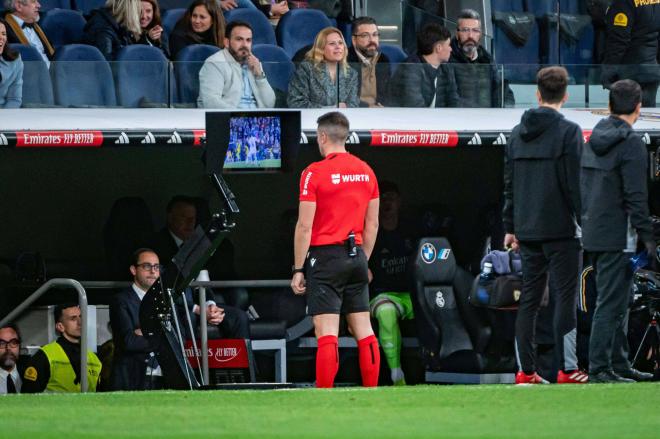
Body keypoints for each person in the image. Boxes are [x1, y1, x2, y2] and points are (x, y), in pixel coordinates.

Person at [503, 66, 587, 385]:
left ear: (537, 94)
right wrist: (585, 223)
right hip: (563, 231)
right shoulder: (569, 132)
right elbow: (575, 186)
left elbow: (508, 184)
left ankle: (525, 371)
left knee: (529, 300)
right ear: (565, 96)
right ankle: (567, 369)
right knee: (565, 299)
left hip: (526, 230)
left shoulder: (515, 133)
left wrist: (510, 225)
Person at [291, 111, 380, 388]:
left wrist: (298, 269)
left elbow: (304, 226)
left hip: (325, 257)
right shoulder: (367, 170)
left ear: (322, 136)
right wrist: (364, 258)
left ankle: (325, 394)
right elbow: (373, 224)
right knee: (364, 329)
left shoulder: (313, 173)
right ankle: (372, 392)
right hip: (356, 255)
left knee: (326, 331)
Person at [581, 79, 655, 383]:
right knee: (611, 303)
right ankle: (600, 368)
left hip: (594, 230)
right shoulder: (631, 144)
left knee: (618, 301)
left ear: (610, 105)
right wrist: (647, 235)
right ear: (639, 107)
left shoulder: (593, 139)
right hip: (617, 235)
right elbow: (635, 195)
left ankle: (619, 363)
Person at [148, 195, 250, 338]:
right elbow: (163, 288)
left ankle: (241, 360)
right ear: (170, 218)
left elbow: (203, 277)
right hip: (178, 305)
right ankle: (190, 361)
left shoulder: (199, 243)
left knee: (239, 317)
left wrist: (210, 305)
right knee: (188, 317)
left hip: (202, 299)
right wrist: (198, 309)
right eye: (184, 217)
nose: (190, 223)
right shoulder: (157, 245)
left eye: (193, 218)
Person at [368, 181, 417, 385]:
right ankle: (397, 375)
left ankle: (446, 366)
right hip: (382, 295)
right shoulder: (370, 232)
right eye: (383, 197)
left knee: (439, 303)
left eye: (392, 197)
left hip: (412, 295)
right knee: (386, 311)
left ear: (400, 202)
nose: (387, 202)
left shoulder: (411, 230)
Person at [110, 248, 164, 391]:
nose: (153, 271)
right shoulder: (120, 300)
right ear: (134, 270)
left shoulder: (165, 300)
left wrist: (145, 332)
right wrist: (161, 337)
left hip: (162, 378)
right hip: (131, 379)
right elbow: (128, 341)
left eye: (156, 267)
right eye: (147, 266)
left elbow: (180, 337)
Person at [22, 305, 102, 393]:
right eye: (73, 319)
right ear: (60, 326)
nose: (80, 322)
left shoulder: (94, 359)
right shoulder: (44, 356)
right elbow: (28, 398)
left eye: (81, 317)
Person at [198, 21, 275, 109]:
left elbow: (270, 104)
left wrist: (260, 76)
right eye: (239, 39)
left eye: (248, 40)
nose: (244, 45)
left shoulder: (254, 63)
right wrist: (240, 116)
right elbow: (211, 103)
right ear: (227, 42)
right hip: (229, 118)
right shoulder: (215, 63)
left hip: (258, 119)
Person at [449, 9, 514, 108]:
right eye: (465, 30)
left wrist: (506, 109)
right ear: (457, 33)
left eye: (475, 30)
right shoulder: (447, 59)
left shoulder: (487, 59)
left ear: (480, 34)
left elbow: (503, 91)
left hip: (486, 119)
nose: (470, 36)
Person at [601, 0, 660, 107]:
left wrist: (609, 70)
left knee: (625, 116)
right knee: (646, 119)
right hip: (651, 70)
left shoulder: (623, 3)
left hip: (629, 73)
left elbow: (618, 41)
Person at [388, 22, 458, 108]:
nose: (451, 49)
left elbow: (454, 101)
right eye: (449, 45)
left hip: (439, 119)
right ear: (438, 48)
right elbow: (415, 107)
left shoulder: (446, 68)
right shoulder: (411, 68)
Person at [287, 27, 359, 108]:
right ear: (321, 48)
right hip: (313, 119)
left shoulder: (352, 73)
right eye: (332, 43)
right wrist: (331, 109)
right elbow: (295, 102)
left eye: (340, 43)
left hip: (342, 119)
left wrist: (346, 107)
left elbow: (354, 104)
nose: (338, 47)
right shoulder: (307, 69)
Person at [347, 16, 391, 107]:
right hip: (354, 112)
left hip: (380, 112)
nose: (372, 40)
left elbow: (389, 94)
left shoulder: (383, 59)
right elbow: (344, 98)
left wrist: (385, 107)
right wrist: (367, 107)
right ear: (354, 40)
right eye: (365, 35)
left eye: (375, 35)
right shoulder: (345, 59)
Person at [3, 0, 54, 65]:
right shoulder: (4, 30)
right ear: (19, 6)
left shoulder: (40, 24)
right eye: (33, 1)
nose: (39, 5)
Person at [0, 18, 23, 109]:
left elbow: (14, 99)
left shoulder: (15, 60)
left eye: (3, 34)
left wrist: (6, 118)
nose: (1, 37)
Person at [0, 323, 23, 394]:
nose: (8, 348)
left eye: (13, 342)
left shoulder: (30, 373)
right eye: (2, 343)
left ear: (19, 346)